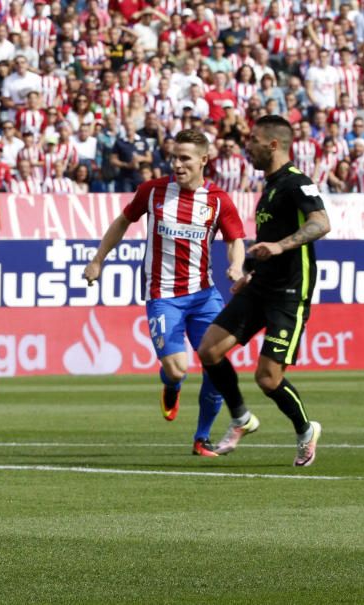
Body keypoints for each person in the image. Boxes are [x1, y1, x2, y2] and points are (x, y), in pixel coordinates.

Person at [84, 129, 246, 457]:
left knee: (215, 363)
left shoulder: (217, 200)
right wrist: (98, 259)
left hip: (204, 295)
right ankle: (171, 386)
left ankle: (202, 438)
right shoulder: (154, 191)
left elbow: (235, 240)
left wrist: (237, 266)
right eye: (174, 157)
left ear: (204, 160)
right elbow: (122, 222)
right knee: (177, 369)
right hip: (163, 295)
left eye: (185, 158)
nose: (177, 164)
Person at [197, 115, 331, 467]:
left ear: (273, 145)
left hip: (289, 292)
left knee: (268, 378)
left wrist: (282, 246)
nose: (247, 146)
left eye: (254, 140)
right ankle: (241, 418)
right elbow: (265, 245)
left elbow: (321, 223)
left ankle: (305, 430)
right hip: (261, 287)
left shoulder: (297, 183)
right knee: (209, 350)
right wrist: (249, 272)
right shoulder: (268, 189)